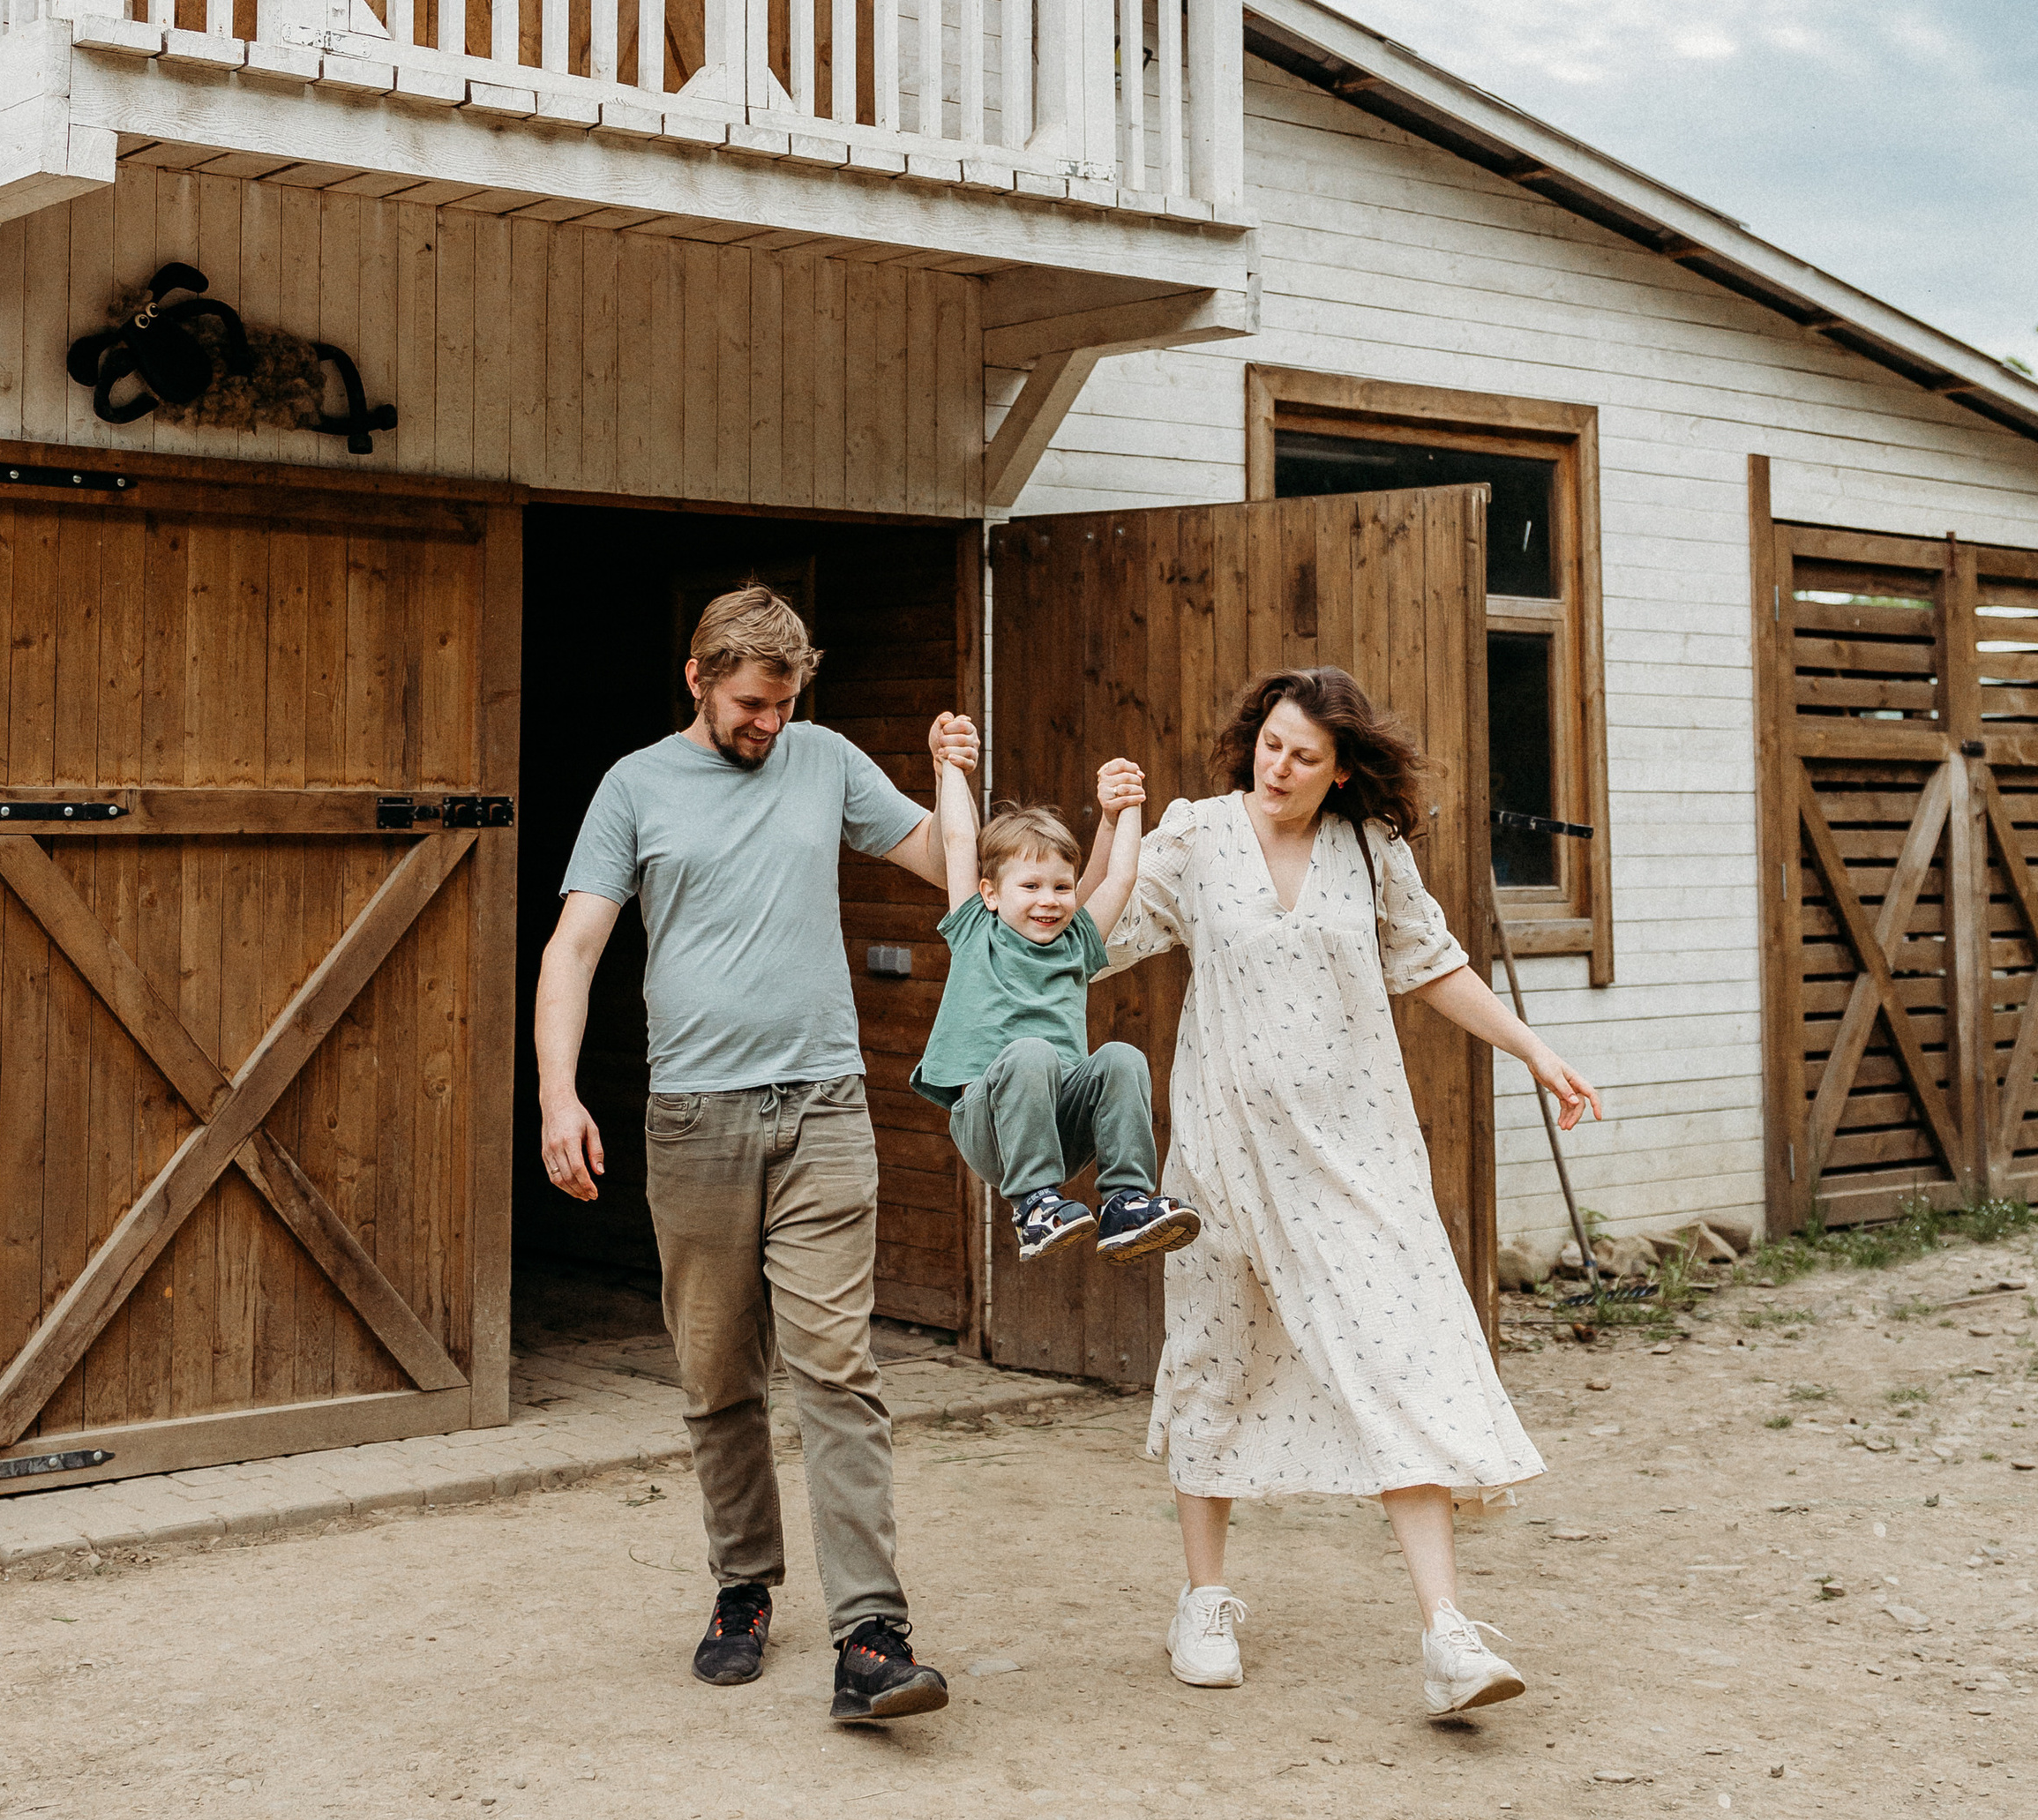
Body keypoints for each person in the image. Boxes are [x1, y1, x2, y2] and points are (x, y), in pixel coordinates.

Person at [1092, 663, 1600, 1717]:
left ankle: (1448, 1636)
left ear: (1339, 772)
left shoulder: (1370, 854)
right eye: (1271, 745)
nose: (1278, 767)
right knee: (1212, 1360)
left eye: (1304, 757)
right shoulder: (1192, 838)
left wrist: (1533, 1050)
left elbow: (1433, 964)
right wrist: (1112, 833)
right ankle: (1205, 1600)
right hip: (1225, 1159)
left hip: (1355, 1155)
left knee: (1400, 1353)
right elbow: (1094, 940)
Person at [536, 583, 973, 1728]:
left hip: (824, 1107)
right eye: (748, 705)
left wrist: (954, 775)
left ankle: (873, 1636)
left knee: (838, 1368)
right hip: (693, 1120)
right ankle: (743, 1587)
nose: (766, 726)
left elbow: (946, 864)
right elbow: (575, 949)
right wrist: (555, 1094)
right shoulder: (634, 786)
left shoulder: (824, 758)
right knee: (718, 1374)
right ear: (696, 678)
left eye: (782, 705)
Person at [913, 753, 1200, 1266]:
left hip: (1060, 1130)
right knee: (1031, 1053)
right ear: (990, 894)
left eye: (1061, 887)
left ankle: (1125, 1202)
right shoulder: (977, 931)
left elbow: (1121, 876)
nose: (1049, 900)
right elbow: (960, 841)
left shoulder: (1076, 944)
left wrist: (1125, 805)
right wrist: (951, 765)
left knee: (1121, 1057)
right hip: (992, 1123)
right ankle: (1033, 1208)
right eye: (1031, 886)